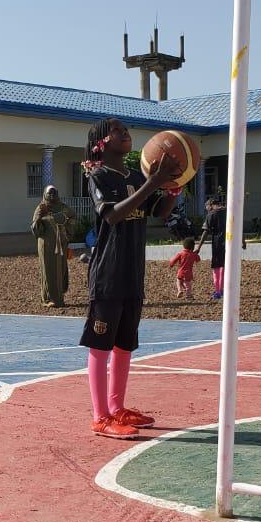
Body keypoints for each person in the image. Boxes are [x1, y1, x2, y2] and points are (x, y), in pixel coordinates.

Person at [81, 119, 180, 440]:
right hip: (107, 274)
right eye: (117, 131)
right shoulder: (98, 176)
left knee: (125, 344)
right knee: (101, 344)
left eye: (127, 131)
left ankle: (117, 408)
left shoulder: (136, 176)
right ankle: (100, 417)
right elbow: (112, 214)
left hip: (132, 272)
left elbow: (161, 211)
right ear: (100, 143)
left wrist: (173, 186)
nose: (126, 134)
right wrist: (154, 182)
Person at [32, 185, 74, 307]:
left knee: (60, 269)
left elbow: (72, 217)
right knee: (48, 270)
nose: (52, 196)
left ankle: (59, 295)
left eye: (54, 194)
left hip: (61, 244)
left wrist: (66, 226)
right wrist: (40, 217)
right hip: (47, 245)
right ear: (45, 194)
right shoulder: (41, 208)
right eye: (49, 194)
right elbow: (35, 229)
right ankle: (49, 299)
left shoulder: (63, 207)